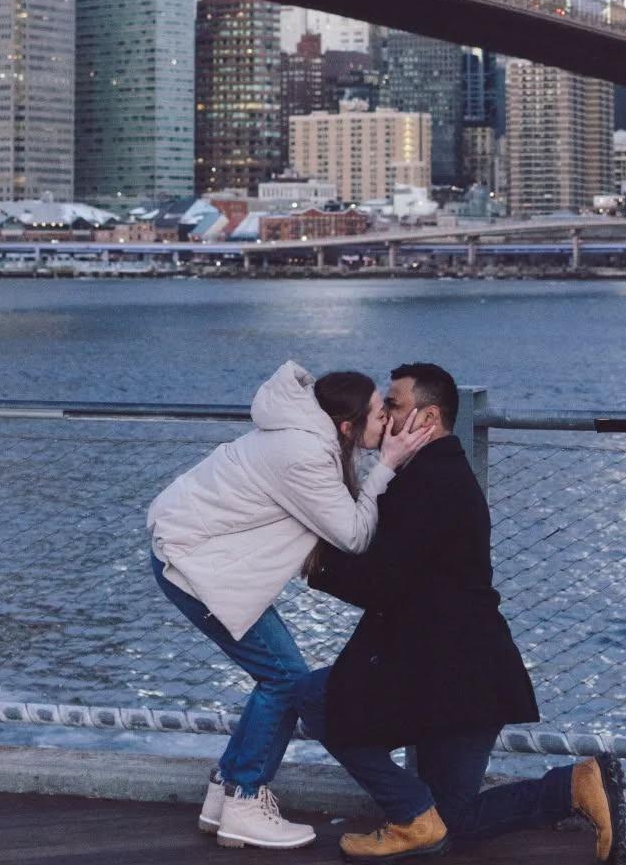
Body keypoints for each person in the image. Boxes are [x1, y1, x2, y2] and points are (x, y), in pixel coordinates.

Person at [295, 362, 626, 862]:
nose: (384, 414)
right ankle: (574, 787)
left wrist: (314, 562)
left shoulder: (426, 483)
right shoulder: (435, 473)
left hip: (449, 679)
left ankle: (410, 815)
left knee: (315, 699)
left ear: (427, 417)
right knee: (452, 820)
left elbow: (381, 583)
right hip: (460, 680)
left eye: (393, 404)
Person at [147, 359, 433, 852]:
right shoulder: (302, 453)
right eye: (377, 413)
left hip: (199, 560)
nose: (386, 420)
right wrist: (386, 465)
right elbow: (354, 535)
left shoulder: (304, 436)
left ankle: (226, 797)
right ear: (347, 426)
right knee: (286, 679)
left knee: (280, 676)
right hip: (195, 567)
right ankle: (243, 798)